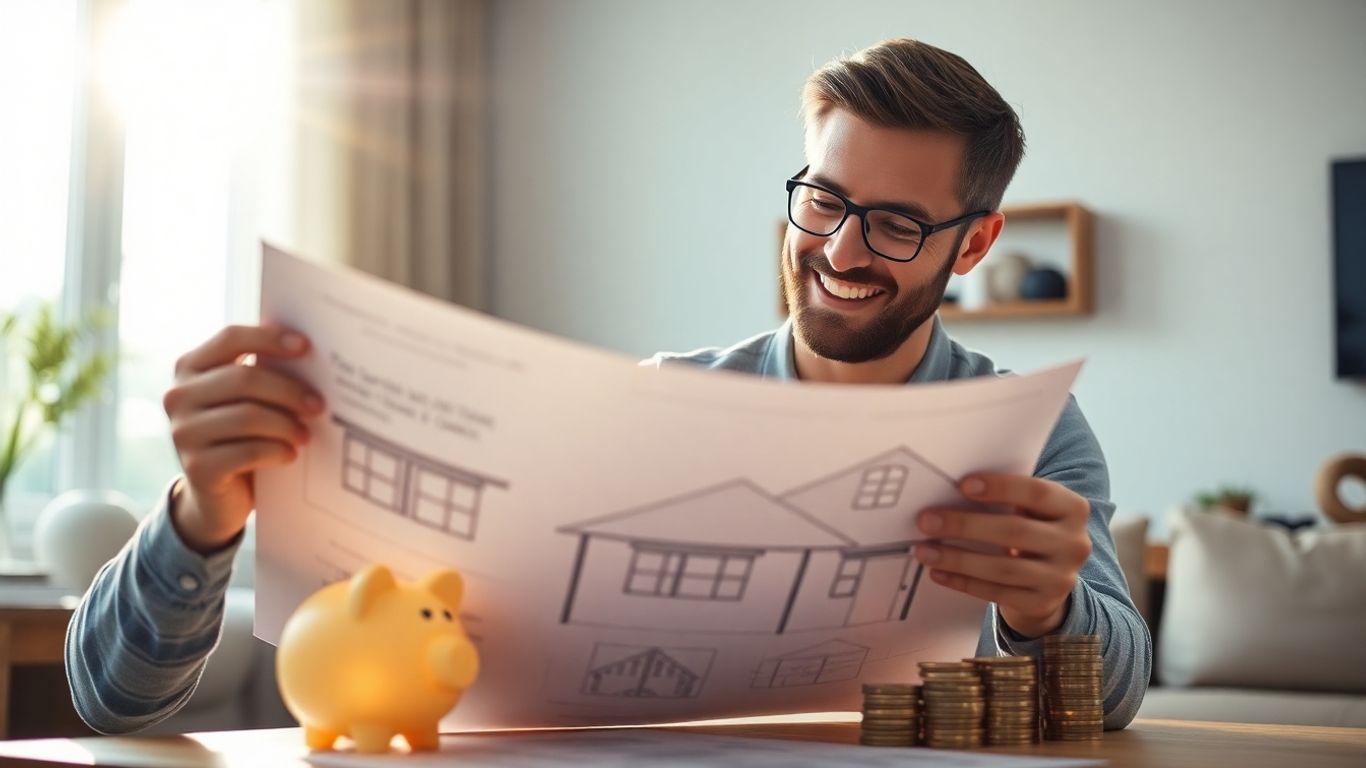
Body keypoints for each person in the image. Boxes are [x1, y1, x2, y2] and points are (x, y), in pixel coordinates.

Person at [66, 37, 1150, 735]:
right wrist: (204, 517)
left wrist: (1050, 609)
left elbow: (1116, 699)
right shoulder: (648, 410)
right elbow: (110, 704)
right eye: (822, 200)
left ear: (975, 245)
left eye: (899, 224)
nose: (840, 250)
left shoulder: (1036, 433)